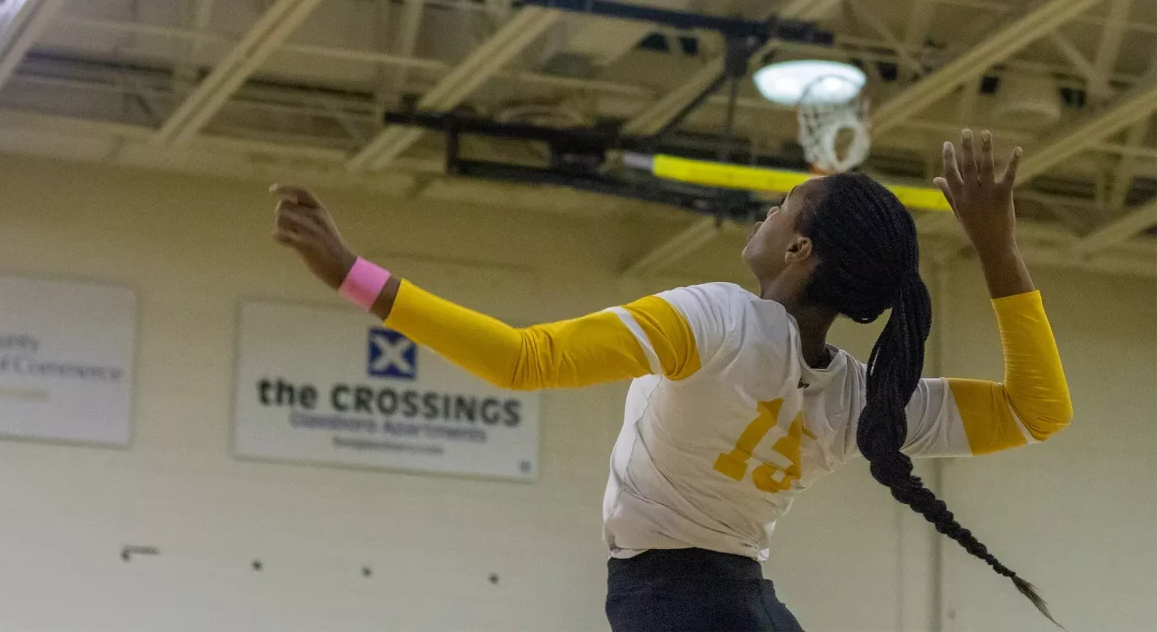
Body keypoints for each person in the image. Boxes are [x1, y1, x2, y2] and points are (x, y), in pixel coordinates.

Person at [270, 130, 1072, 631]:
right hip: (747, 604)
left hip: (670, 603)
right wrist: (997, 248)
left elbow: (524, 359)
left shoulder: (716, 320)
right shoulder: (864, 397)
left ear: (799, 252)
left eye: (787, 202)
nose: (771, 207)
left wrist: (352, 274)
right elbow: (1037, 411)